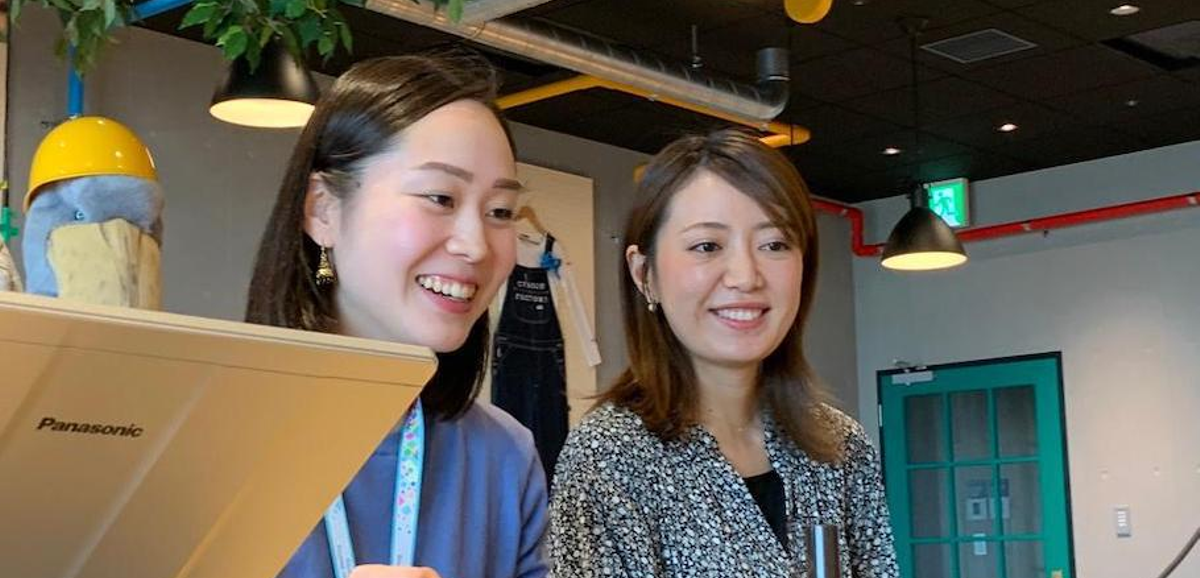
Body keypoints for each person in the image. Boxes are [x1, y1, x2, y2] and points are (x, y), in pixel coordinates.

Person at [246, 52, 547, 578]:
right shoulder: (202, 438)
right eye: (440, 197)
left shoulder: (505, 456)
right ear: (323, 209)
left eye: (499, 211)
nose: (476, 244)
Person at [548, 129, 899, 577]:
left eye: (774, 245)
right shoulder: (609, 456)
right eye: (707, 246)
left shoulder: (840, 448)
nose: (745, 276)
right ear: (644, 273)